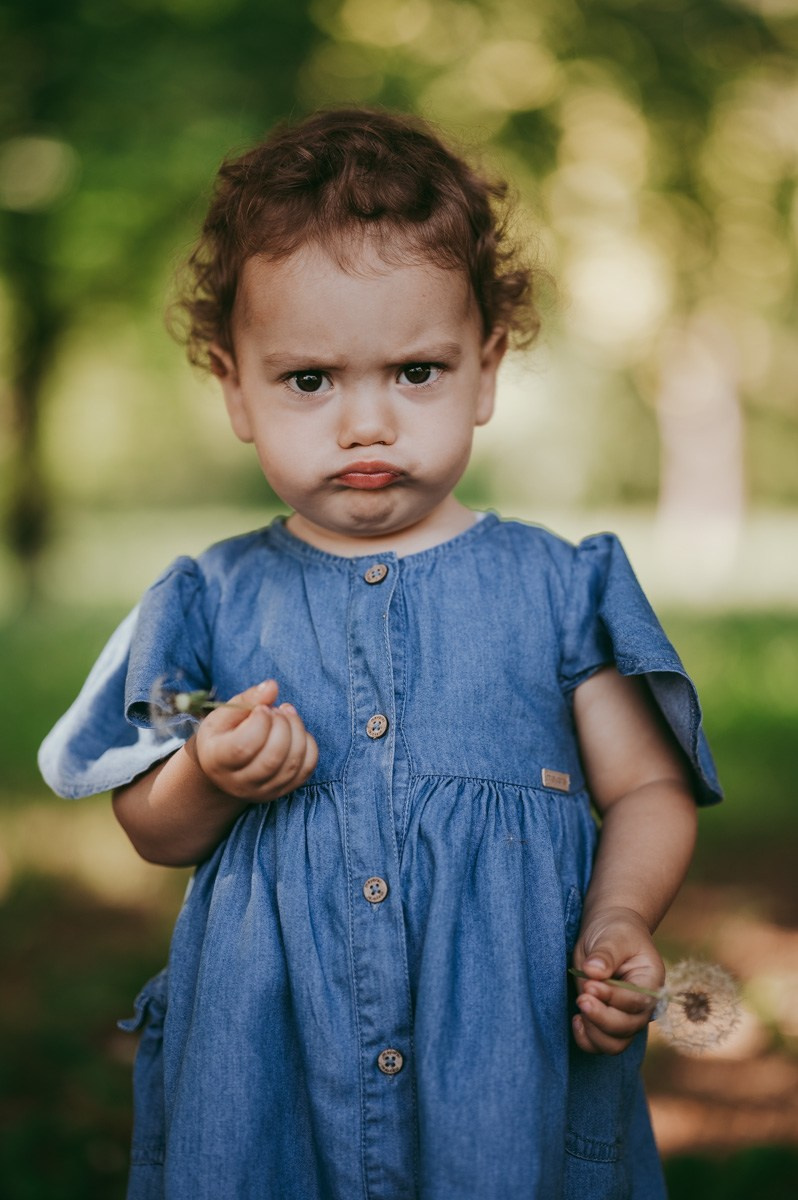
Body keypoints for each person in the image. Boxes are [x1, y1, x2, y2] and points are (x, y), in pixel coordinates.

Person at [39, 108, 721, 1200]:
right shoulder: (208, 598)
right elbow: (148, 828)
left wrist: (622, 913)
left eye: (416, 371)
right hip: (270, 1058)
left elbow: (646, 784)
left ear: (485, 370)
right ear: (235, 388)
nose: (367, 423)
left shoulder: (560, 587)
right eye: (310, 380)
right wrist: (209, 773)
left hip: (501, 1052)